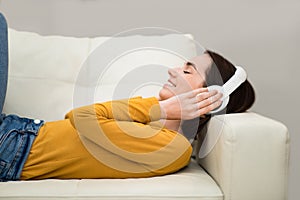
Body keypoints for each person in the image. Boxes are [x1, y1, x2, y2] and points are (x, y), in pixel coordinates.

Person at [0, 13, 255, 181]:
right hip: (18, 132)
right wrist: (163, 108)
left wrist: (164, 110)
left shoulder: (172, 148)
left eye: (188, 70)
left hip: (12, 149)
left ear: (208, 97)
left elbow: (80, 117)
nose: (173, 70)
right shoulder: (155, 123)